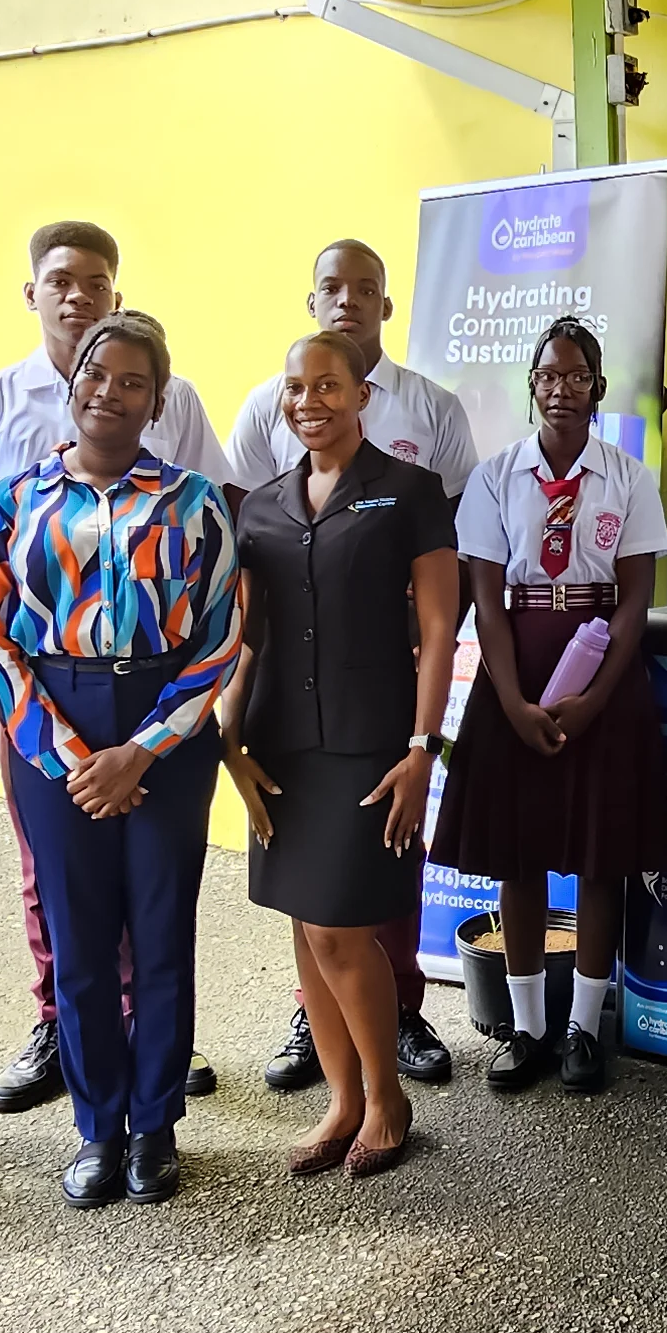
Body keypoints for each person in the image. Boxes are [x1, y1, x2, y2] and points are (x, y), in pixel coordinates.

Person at [0, 221, 233, 1115]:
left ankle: (155, 1123)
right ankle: (97, 1124)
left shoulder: (192, 503)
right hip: (53, 719)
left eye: (134, 383)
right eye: (96, 378)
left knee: (159, 931)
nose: (110, 392)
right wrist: (72, 754)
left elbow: (219, 636)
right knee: (77, 938)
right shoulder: (14, 500)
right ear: (70, 388)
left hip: (165, 719)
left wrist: (141, 750)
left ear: (159, 404)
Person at [224, 241, 479, 1097]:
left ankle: (385, 1103)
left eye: (329, 386)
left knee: (343, 931)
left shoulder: (409, 490)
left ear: (362, 395)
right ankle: (340, 1104)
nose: (311, 401)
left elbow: (440, 631)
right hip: (279, 743)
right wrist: (228, 737)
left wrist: (422, 748)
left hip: (369, 741)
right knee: (305, 929)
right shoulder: (260, 507)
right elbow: (248, 634)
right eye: (297, 388)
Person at [433, 317, 667, 1095]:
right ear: (530, 387)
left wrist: (597, 698)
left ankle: (582, 1028)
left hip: (605, 660)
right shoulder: (497, 477)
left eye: (577, 376)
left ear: (598, 388)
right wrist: (511, 700)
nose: (562, 389)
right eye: (548, 376)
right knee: (520, 852)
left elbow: (637, 598)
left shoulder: (629, 479)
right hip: (520, 661)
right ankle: (528, 1025)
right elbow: (487, 603)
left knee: (602, 857)